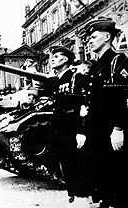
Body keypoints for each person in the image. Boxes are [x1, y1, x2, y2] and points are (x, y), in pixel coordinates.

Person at [79, 17, 128, 207]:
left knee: (115, 182)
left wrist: (118, 128)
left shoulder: (118, 61)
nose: (89, 41)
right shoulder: (95, 66)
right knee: (100, 182)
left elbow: (121, 98)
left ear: (107, 36)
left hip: (110, 132)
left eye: (93, 37)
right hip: (96, 133)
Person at [46, 46, 91, 205]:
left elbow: (84, 106)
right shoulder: (56, 80)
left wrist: (81, 130)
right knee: (66, 165)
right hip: (61, 130)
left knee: (77, 164)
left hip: (73, 129)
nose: (52, 59)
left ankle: (83, 198)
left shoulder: (76, 78)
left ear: (65, 60)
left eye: (56, 56)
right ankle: (74, 194)